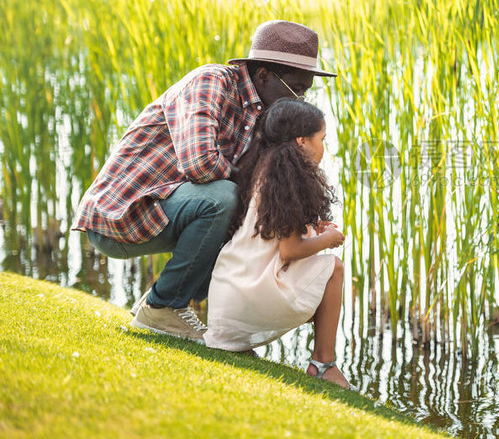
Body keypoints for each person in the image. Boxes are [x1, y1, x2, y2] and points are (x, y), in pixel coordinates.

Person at [71, 21, 336, 343]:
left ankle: (181, 310)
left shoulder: (264, 113)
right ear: (264, 74)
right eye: (298, 88)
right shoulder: (211, 81)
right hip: (123, 216)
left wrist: (300, 224)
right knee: (225, 198)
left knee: (249, 214)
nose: (302, 98)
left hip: (168, 211)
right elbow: (200, 165)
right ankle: (163, 305)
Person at [203, 99, 352, 389]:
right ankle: (324, 364)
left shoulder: (266, 168)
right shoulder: (290, 178)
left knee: (316, 272)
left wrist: (312, 228)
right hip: (249, 298)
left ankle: (238, 341)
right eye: (322, 140)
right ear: (302, 141)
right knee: (333, 269)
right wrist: (327, 240)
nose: (324, 148)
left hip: (227, 301)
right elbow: (290, 250)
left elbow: (277, 231)